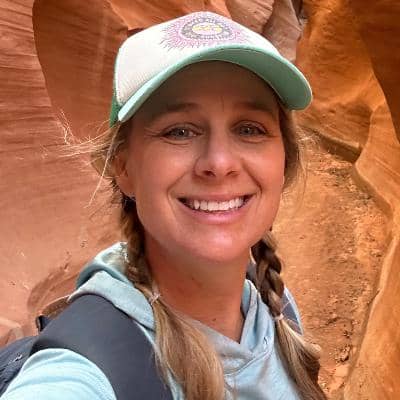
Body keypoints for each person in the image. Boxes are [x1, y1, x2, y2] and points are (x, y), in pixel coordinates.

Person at [1, 11, 327, 400]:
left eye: (249, 129)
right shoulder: (84, 371)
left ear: (283, 161)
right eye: (180, 131)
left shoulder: (273, 306)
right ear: (123, 167)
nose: (220, 163)